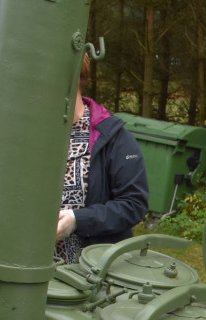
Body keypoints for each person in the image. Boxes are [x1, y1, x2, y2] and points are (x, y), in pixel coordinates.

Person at [55, 53, 148, 264]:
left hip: (92, 273)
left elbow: (134, 204)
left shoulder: (113, 136)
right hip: (36, 271)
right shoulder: (37, 133)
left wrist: (77, 220)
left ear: (80, 78)